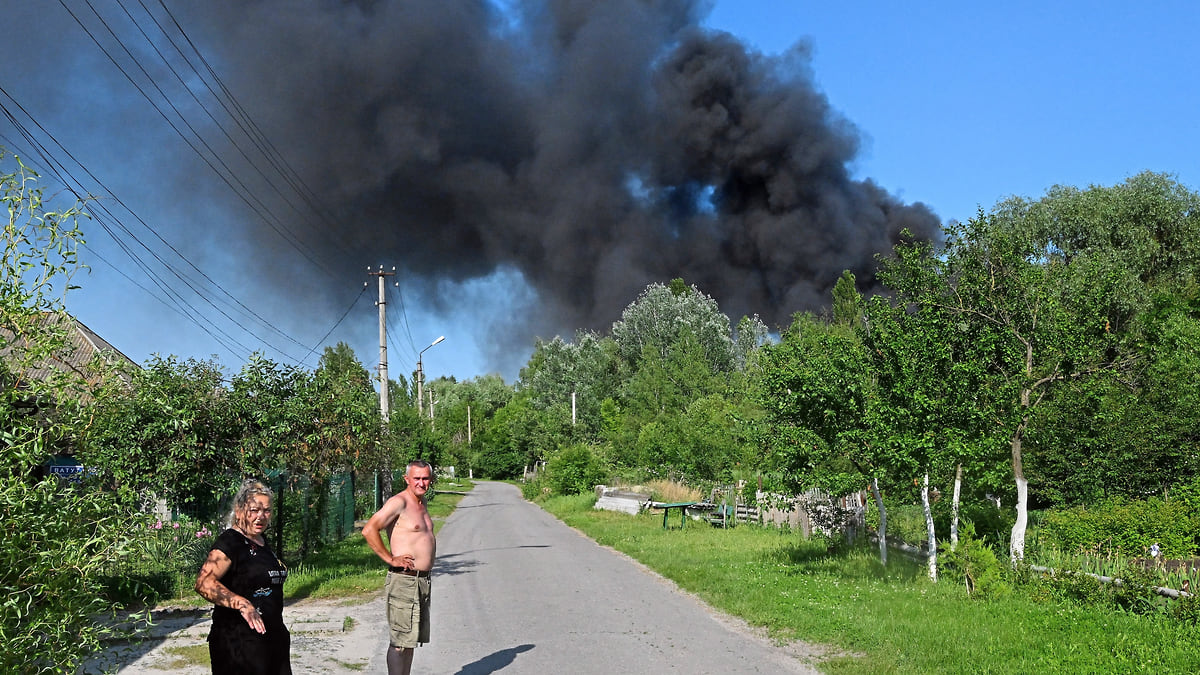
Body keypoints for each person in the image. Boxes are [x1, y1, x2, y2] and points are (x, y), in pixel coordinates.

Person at [194, 479, 291, 674]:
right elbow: (204, 583)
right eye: (254, 510)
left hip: (271, 640)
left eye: (266, 511)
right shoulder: (230, 542)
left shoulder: (263, 541)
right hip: (239, 644)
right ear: (239, 511)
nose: (260, 516)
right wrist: (241, 603)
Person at [363, 460, 437, 675]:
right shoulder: (399, 502)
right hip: (404, 580)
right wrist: (390, 558)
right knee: (399, 642)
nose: (421, 483)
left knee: (410, 640)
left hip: (421, 580)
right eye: (417, 478)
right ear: (407, 479)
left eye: (425, 478)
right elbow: (369, 529)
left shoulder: (421, 503)